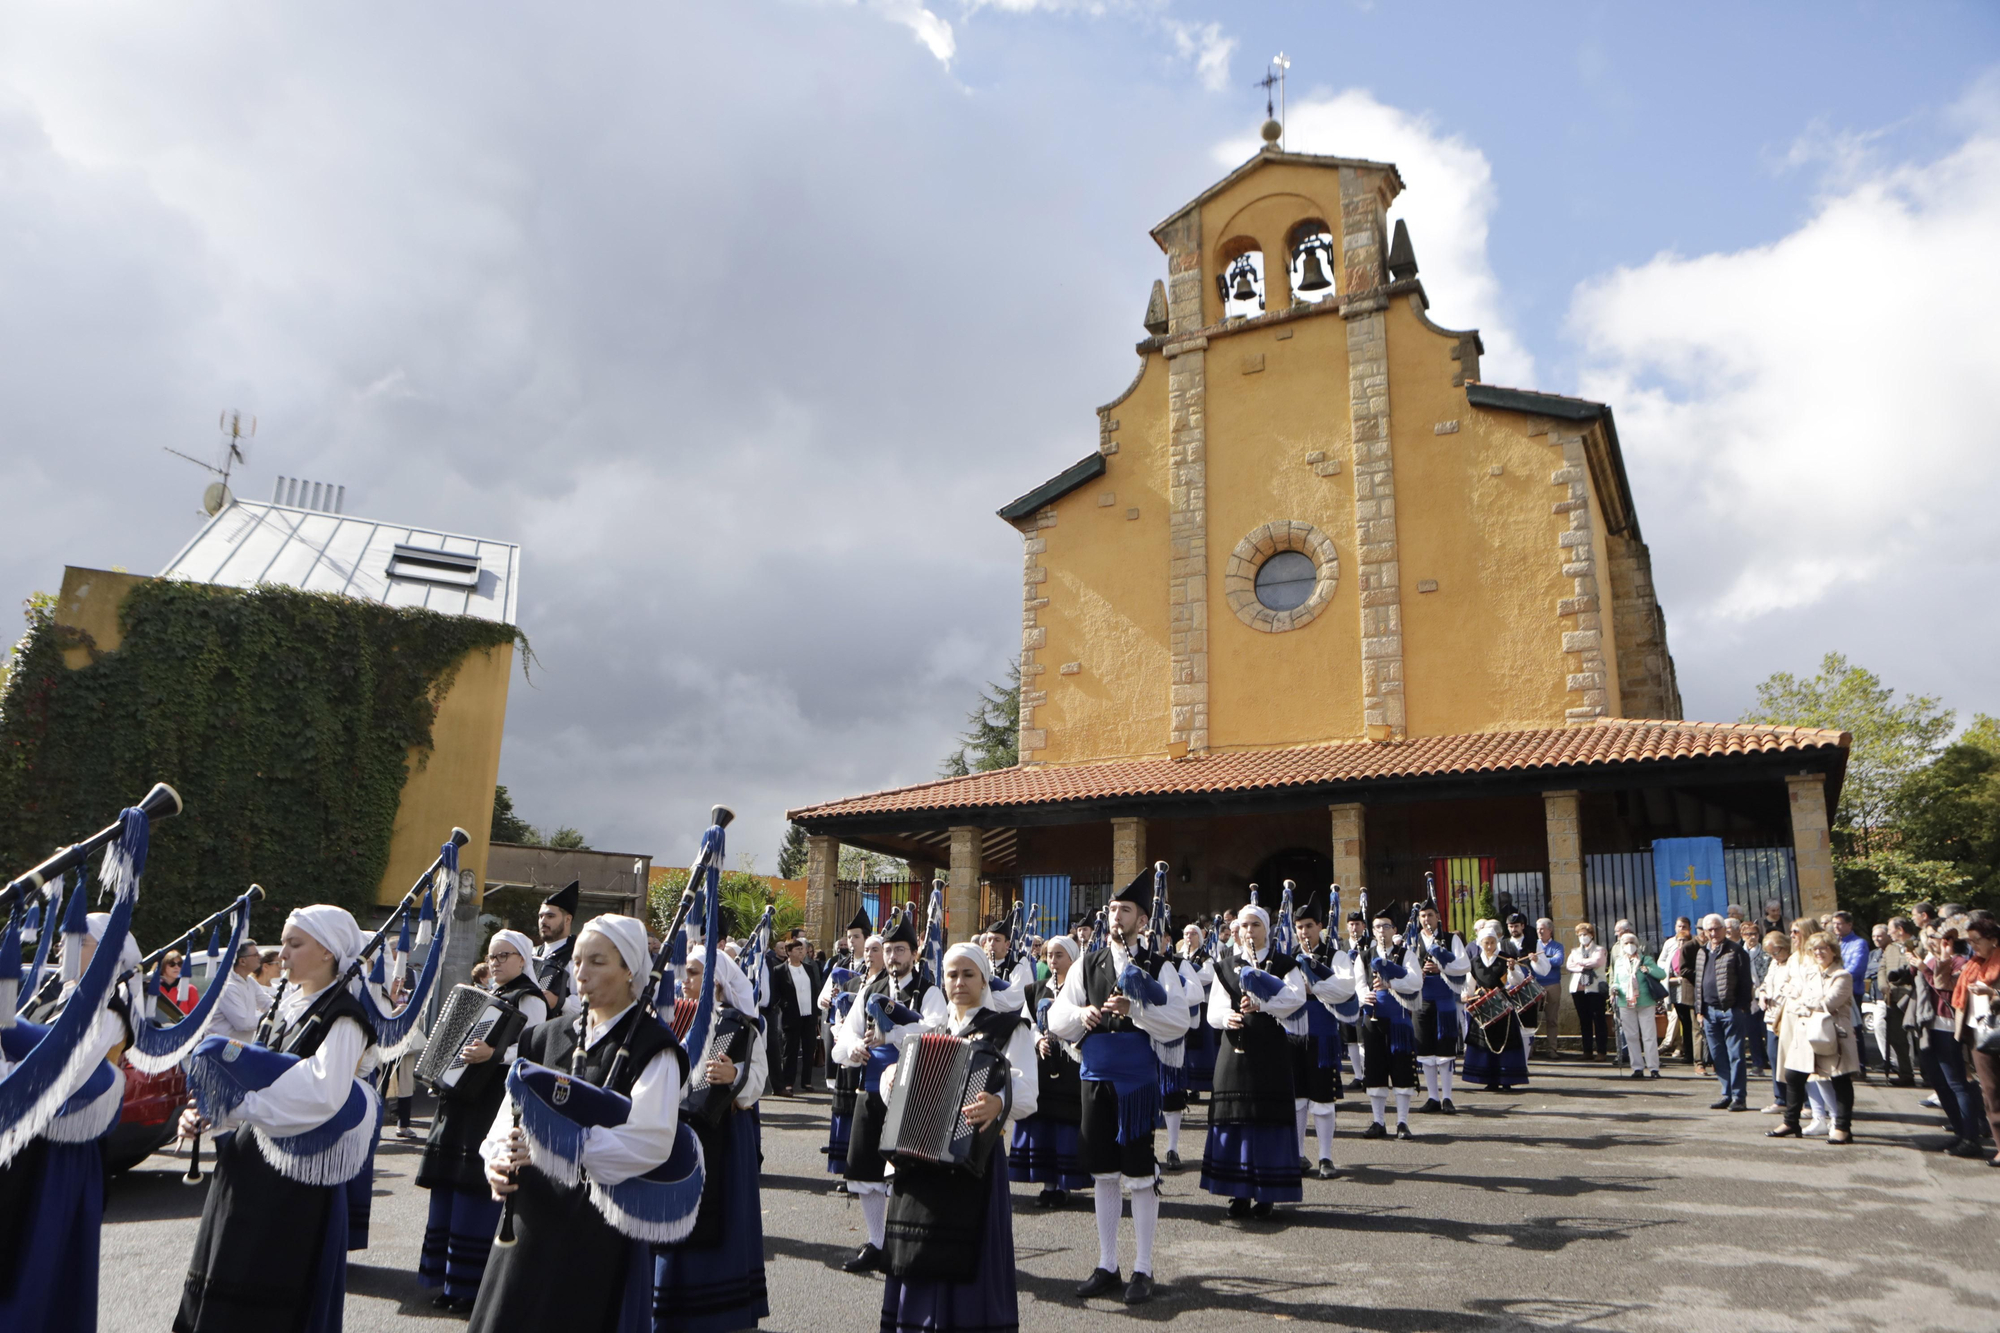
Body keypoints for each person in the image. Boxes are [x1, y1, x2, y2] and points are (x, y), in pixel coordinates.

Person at [470, 914, 688, 1333]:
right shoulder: (544, 1038)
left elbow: (651, 1142)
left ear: (629, 970)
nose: (581, 973)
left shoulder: (653, 1047)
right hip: (528, 1223)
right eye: (577, 961)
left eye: (597, 962)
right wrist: (496, 1159)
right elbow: (507, 1116)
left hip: (596, 1233)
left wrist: (556, 1149)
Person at [176, 907, 377, 1333]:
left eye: (293, 943)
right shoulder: (286, 1005)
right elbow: (251, 1079)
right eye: (283, 942)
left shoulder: (345, 1017)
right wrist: (209, 1111)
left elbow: (320, 1093)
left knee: (267, 1294)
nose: (280, 954)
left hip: (294, 1182)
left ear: (327, 951)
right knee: (225, 1278)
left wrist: (232, 1106)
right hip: (246, 1166)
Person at [873, 943, 1038, 1333]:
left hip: (975, 1162)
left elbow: (1028, 1092)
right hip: (922, 1161)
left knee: (971, 1252)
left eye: (968, 974)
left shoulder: (1009, 1030)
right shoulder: (930, 1031)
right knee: (919, 1250)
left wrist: (998, 1102)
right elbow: (893, 1084)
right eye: (951, 974)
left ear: (984, 980)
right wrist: (889, 1080)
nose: (959, 982)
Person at [1046, 869, 1188, 1305]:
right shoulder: (1087, 963)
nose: (1115, 915)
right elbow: (1055, 1016)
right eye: (1111, 908)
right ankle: (1108, 1264)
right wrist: (1082, 1016)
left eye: (1124, 909)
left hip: (1136, 1085)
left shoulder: (1159, 966)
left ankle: (1143, 1268)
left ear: (1142, 920)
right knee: (1104, 1172)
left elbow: (1180, 1021)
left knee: (1140, 1175)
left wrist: (1137, 1009)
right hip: (1094, 1078)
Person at [0, 907, 142, 1333]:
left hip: (65, 1146)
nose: (64, 945)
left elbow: (71, 1069)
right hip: (33, 1135)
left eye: (79, 938)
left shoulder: (110, 1007)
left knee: (40, 1254)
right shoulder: (62, 994)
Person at [415, 929, 548, 1314]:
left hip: (490, 1104)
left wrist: (492, 1054)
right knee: (450, 1190)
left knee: (474, 1191)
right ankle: (445, 1280)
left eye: (503, 956)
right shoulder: (489, 994)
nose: (495, 962)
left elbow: (531, 1051)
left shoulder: (530, 998)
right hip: (460, 1105)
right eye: (491, 956)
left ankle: (470, 1286)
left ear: (522, 959)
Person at [652, 950, 770, 1333]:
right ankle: (664, 1300)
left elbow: (757, 1079)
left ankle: (718, 1310)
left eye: (695, 973)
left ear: (717, 981)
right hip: (674, 1133)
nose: (685, 980)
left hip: (723, 1137)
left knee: (718, 1217)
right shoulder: (670, 1017)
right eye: (686, 973)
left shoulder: (741, 1026)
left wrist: (734, 1072)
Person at [832, 912, 945, 1275]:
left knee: (908, 1174)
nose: (894, 956)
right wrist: (853, 1049)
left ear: (914, 953)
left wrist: (893, 1035)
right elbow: (847, 1031)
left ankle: (908, 1242)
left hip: (912, 1091)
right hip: (870, 1086)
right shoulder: (869, 989)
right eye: (890, 949)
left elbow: (935, 1030)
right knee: (865, 1172)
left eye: (901, 950)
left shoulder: (928, 991)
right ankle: (877, 1243)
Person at [1200, 899, 1308, 1219]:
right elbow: (1213, 1011)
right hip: (1234, 1053)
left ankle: (1267, 1193)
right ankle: (1238, 1192)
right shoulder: (1225, 964)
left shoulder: (1284, 963)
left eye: (1256, 925)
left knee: (1266, 1121)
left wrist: (1263, 1003)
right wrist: (1227, 1018)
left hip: (1270, 1052)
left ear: (1267, 929)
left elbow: (1295, 999)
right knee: (1236, 1119)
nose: (1249, 930)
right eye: (1245, 925)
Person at [1011, 935, 1089, 1205]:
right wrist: (1038, 1040)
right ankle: (1048, 1184)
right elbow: (1026, 1021)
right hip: (1043, 1066)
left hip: (1071, 1065)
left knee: (1065, 1123)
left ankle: (1066, 1183)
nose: (1053, 961)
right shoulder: (1037, 988)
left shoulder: (1081, 990)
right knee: (1043, 1122)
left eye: (1059, 955)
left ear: (1072, 958)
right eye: (1049, 956)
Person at [1767, 932, 1860, 1144]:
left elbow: (1828, 1003)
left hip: (1832, 1035)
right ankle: (1791, 1122)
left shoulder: (1842, 976)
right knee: (1793, 1075)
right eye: (1814, 949)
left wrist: (1804, 1001)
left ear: (1834, 951)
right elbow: (1793, 996)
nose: (1818, 953)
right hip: (1806, 1033)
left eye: (1823, 948)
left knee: (1840, 1079)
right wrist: (1806, 1001)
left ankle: (1843, 1128)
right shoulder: (1809, 973)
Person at [1289, 894, 1352, 1177]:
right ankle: (1298, 1154)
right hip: (1293, 1036)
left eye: (1309, 926)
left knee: (1323, 1099)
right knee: (1298, 1099)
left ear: (1320, 926)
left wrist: (1313, 989)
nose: (1304, 932)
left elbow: (1345, 989)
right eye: (1300, 927)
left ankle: (1325, 1157)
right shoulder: (1289, 957)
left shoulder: (1335, 955)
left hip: (1323, 1035)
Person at [1908, 926, 1982, 1158]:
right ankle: (1961, 1133)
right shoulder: (1934, 959)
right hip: (1930, 1026)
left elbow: (1946, 989)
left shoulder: (1961, 962)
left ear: (1949, 941)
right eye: (1930, 937)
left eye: (1936, 937)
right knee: (1940, 1084)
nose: (1931, 941)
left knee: (1957, 1083)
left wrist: (1926, 968)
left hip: (1948, 1026)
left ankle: (1971, 1137)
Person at [1350, 909, 1422, 1138]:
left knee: (1401, 1070)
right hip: (1373, 1018)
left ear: (1395, 930)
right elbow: (1358, 983)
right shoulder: (1364, 955)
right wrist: (1364, 996)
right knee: (1375, 1070)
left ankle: (1402, 1123)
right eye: (1378, 927)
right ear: (1372, 931)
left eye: (1387, 926)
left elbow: (1415, 982)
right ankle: (1378, 1121)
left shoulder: (1405, 954)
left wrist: (1391, 984)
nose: (1382, 931)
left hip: (1399, 1020)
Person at [819, 929, 881, 1182]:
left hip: (870, 1058)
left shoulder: (885, 985)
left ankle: (862, 1168)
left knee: (863, 1114)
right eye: (868, 950)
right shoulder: (851, 981)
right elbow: (838, 1016)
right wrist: (839, 1029)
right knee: (845, 1111)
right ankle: (844, 1167)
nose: (869, 954)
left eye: (875, 949)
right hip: (848, 1052)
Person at [1464, 925, 1539, 1091]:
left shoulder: (1506, 959)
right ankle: (1489, 1079)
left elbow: (1517, 980)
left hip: (1502, 1005)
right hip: (1484, 1006)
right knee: (1486, 1043)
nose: (1490, 946)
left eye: (1492, 942)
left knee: (1505, 1042)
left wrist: (1512, 969)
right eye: (1486, 943)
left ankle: (1506, 1079)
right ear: (1480, 943)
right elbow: (1470, 984)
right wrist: (1467, 995)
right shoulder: (1475, 962)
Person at [1953, 917, 2000, 1165]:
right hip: (1978, 1035)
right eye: (1969, 941)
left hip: (1996, 1032)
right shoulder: (1973, 965)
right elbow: (1944, 985)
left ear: (1993, 940)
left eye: (1977, 940)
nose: (1972, 946)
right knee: (1990, 1092)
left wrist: (1992, 992)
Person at [1696, 913, 1752, 1111]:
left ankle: (1739, 1097)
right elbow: (1699, 984)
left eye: (1716, 928)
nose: (1713, 933)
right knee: (1718, 1055)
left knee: (1735, 1054)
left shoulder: (1736, 951)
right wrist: (1699, 1010)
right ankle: (1726, 1093)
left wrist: (1742, 1006)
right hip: (1709, 1013)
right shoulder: (1702, 952)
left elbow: (1746, 982)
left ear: (1724, 929)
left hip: (1731, 1010)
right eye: (1709, 929)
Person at [1174, 922, 1217, 1122]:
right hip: (1180, 1006)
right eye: (1186, 933)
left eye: (1193, 933)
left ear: (1200, 937)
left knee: (1198, 1049)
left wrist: (1187, 975)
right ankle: (1183, 1086)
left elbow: (1208, 976)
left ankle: (1197, 1087)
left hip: (1199, 1006)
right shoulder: (1179, 957)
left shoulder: (1206, 957)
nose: (1189, 937)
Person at [1609, 931, 1665, 1079]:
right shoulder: (1619, 962)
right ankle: (1637, 1067)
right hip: (1625, 1002)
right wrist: (1613, 988)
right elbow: (1615, 979)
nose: (1629, 946)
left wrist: (1649, 970)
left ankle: (1654, 1068)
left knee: (1649, 1036)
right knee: (1631, 1036)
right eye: (1626, 943)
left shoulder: (1645, 959)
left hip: (1646, 1001)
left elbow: (1661, 974)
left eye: (1632, 942)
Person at [1753, 932, 1795, 1113]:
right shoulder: (1774, 964)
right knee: (1774, 1057)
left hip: (1787, 1017)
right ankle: (1780, 1098)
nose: (1773, 956)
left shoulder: (1793, 963)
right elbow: (1765, 984)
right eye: (1770, 953)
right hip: (1771, 1017)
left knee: (1791, 1061)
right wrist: (1761, 994)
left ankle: (1799, 1100)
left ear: (1785, 947)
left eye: (1776, 952)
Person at [772, 938, 819, 1096]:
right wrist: (784, 1004)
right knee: (790, 1051)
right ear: (789, 952)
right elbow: (776, 992)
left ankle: (807, 1081)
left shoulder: (809, 968)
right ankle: (788, 1082)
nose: (802, 952)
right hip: (792, 1016)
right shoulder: (780, 970)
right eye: (798, 949)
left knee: (809, 1048)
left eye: (802, 949)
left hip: (809, 1014)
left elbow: (815, 989)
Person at [533, 880, 582, 1017]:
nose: (543, 921)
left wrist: (560, 1002)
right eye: (541, 916)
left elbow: (590, 1002)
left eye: (550, 916)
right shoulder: (533, 953)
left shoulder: (577, 955)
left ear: (567, 920)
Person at [1566, 922, 1610, 1063]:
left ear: (1591, 935)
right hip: (1578, 989)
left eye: (1585, 934)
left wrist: (1579, 963)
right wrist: (1583, 966)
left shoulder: (1599, 949)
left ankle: (1602, 1051)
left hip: (1595, 989)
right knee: (1584, 1020)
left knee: (1598, 1019)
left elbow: (1596, 962)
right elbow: (1569, 965)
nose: (1583, 937)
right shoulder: (1574, 951)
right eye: (1580, 935)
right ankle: (1587, 1051)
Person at [213, 939, 270, 1045]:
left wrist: (283, 1010)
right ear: (242, 961)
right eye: (255, 955)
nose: (260, 957)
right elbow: (243, 1023)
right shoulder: (228, 986)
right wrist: (271, 1018)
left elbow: (266, 1003)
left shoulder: (249, 981)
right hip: (221, 1050)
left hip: (239, 1048)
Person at [1659, 918, 1698, 1067]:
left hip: (1689, 989)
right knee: (1683, 1021)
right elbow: (1663, 962)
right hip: (1675, 987)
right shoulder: (1670, 946)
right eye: (1679, 940)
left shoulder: (1693, 948)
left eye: (1684, 940)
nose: (1681, 943)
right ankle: (1686, 1051)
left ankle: (1694, 1053)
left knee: (1693, 1022)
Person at [159, 949, 200, 1016]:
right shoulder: (153, 988)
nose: (176, 967)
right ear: (163, 966)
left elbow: (196, 1017)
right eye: (172, 964)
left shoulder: (190, 989)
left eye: (179, 964)